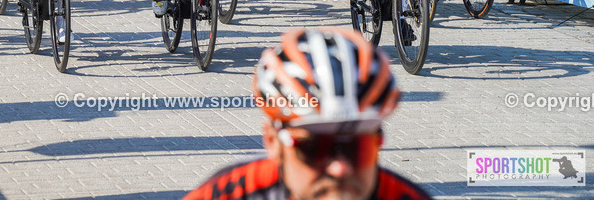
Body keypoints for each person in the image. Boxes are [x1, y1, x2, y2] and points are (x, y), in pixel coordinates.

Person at [184, 27, 431, 200]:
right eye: (314, 147)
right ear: (272, 142)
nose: (340, 168)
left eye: (359, 147)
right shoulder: (231, 193)